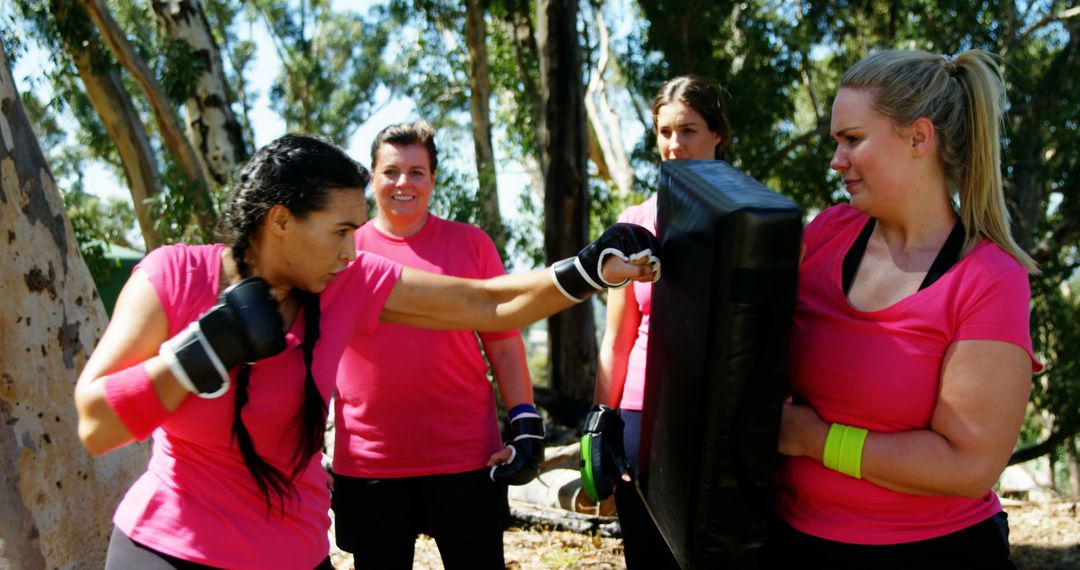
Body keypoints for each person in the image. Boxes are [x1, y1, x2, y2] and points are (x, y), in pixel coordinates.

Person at [73, 133, 660, 570]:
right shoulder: (174, 276)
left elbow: (490, 306)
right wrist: (197, 354)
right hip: (168, 548)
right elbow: (96, 424)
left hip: (292, 555)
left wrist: (587, 270)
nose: (353, 248)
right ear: (281, 220)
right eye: (339, 230)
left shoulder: (348, 282)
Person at [770, 49, 1041, 569]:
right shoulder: (826, 234)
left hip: (932, 552)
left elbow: (968, 465)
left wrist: (815, 440)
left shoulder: (989, 279)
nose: (836, 160)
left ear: (919, 137)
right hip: (793, 539)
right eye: (836, 142)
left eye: (852, 140)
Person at [330, 121, 535, 569]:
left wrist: (524, 421)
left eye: (417, 172)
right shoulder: (342, 252)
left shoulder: (472, 245)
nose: (403, 183)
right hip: (370, 464)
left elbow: (503, 344)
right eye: (391, 171)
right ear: (372, 176)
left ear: (433, 179)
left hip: (466, 458)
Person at [592, 74, 730, 569]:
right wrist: (599, 423)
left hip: (722, 419)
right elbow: (617, 341)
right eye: (665, 132)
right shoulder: (634, 223)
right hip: (639, 420)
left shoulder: (752, 219)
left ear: (718, 134)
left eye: (689, 130)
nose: (675, 144)